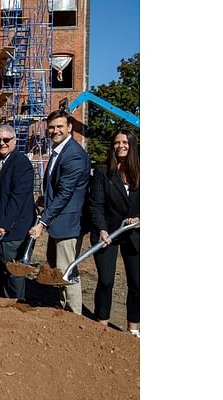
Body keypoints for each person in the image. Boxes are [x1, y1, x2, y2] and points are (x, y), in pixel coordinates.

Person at [28, 109, 90, 314]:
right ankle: (63, 307)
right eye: (52, 127)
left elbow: (65, 194)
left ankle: (74, 315)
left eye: (59, 127)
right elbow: (57, 189)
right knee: (57, 268)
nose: (55, 131)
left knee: (66, 271)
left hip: (68, 223)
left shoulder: (73, 155)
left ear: (70, 127)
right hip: (58, 221)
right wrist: (44, 200)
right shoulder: (58, 151)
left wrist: (42, 222)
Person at [89, 129, 140, 337]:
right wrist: (101, 229)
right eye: (117, 142)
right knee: (106, 280)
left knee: (137, 282)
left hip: (134, 233)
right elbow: (95, 204)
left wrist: (140, 219)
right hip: (108, 232)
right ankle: (102, 323)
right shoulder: (103, 171)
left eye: (125, 142)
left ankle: (134, 327)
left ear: (132, 145)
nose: (121, 146)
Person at [0, 125, 35, 300]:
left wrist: (3, 224)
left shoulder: (21, 163)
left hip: (13, 230)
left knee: (13, 272)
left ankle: (16, 305)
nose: (2, 143)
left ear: (14, 141)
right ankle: (4, 305)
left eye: (6, 140)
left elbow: (18, 198)